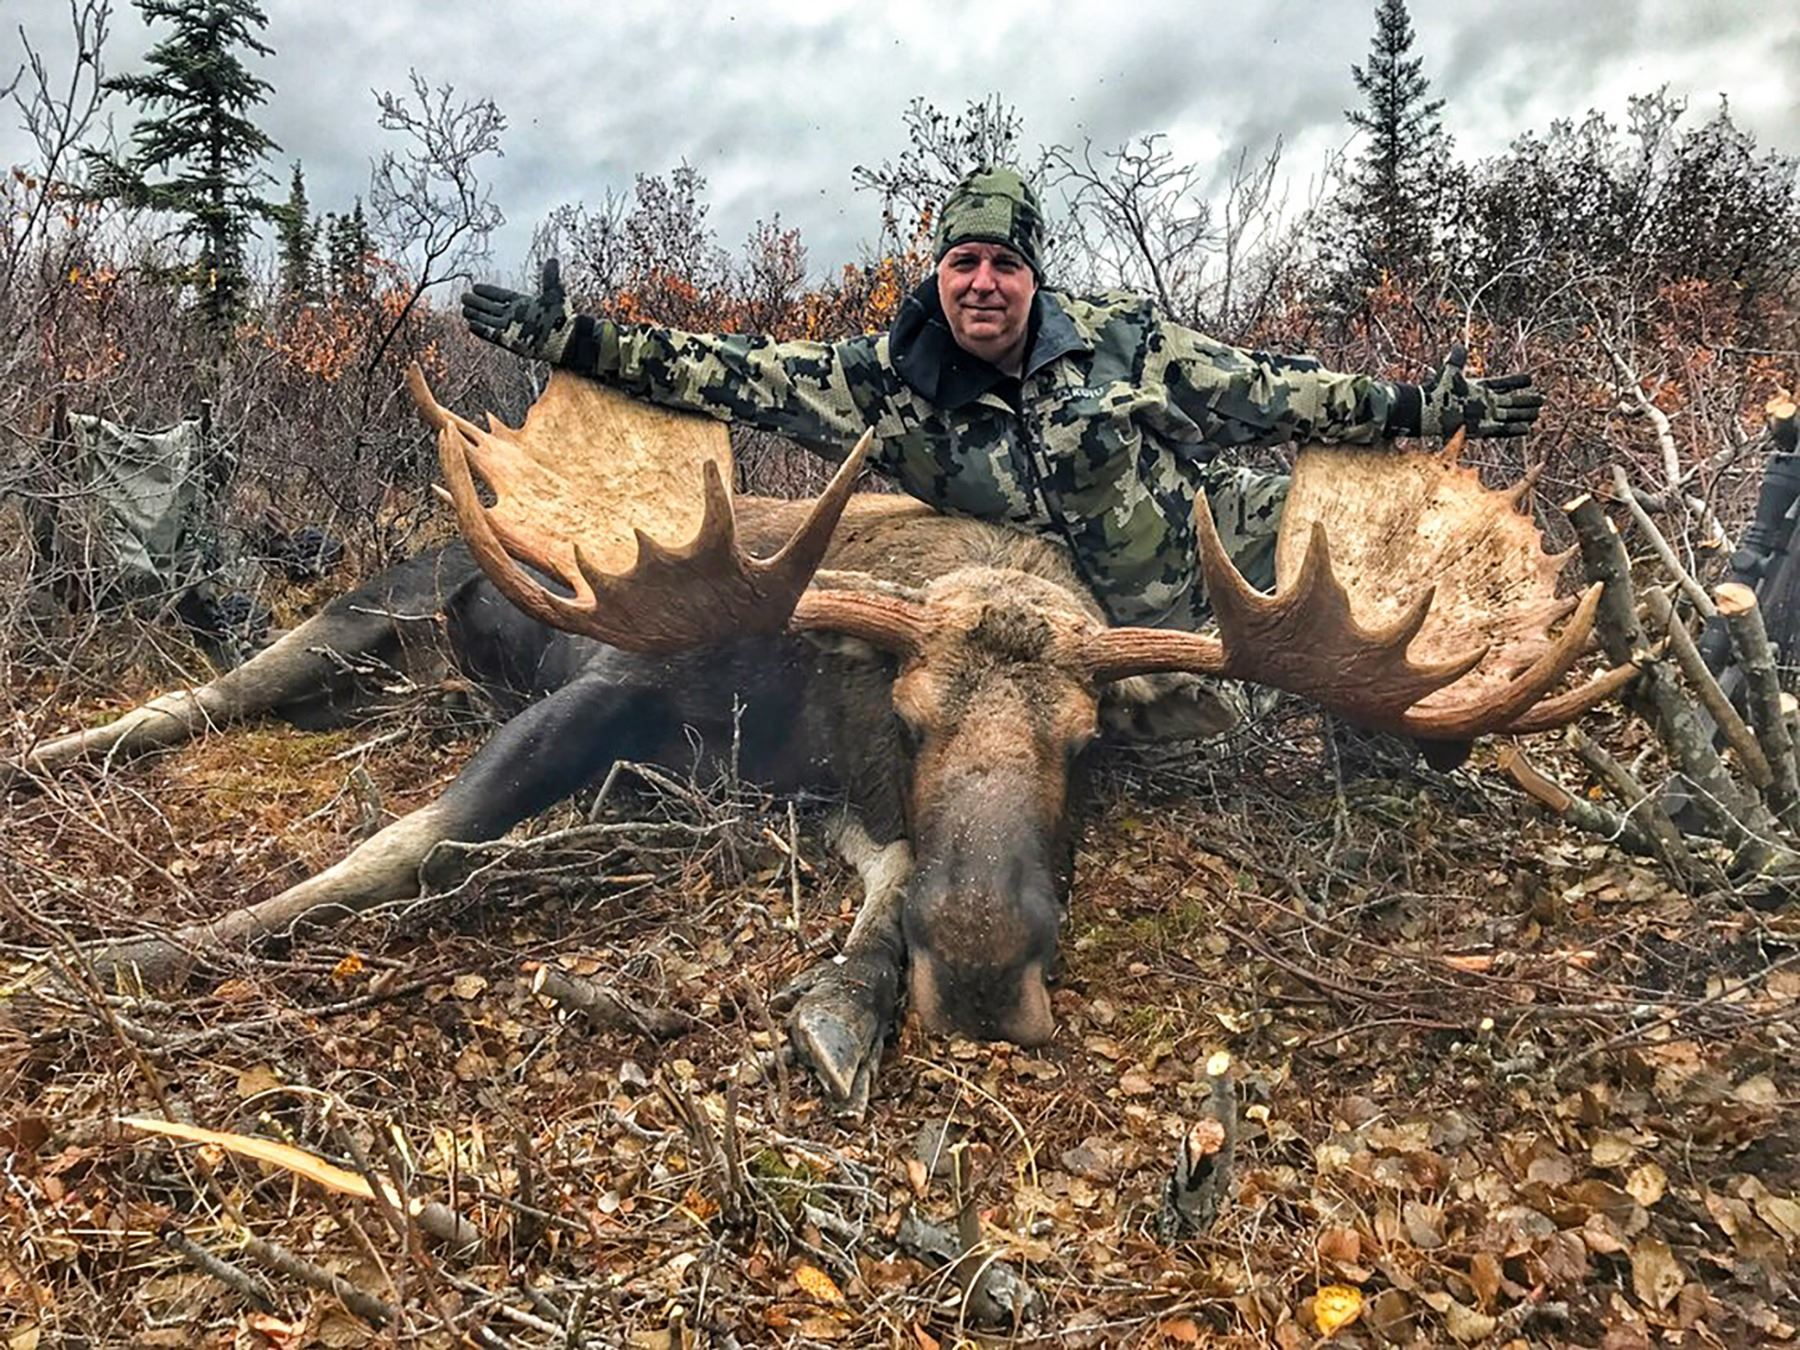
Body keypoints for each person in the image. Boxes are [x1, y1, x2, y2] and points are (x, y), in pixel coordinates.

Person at [462, 164, 1542, 630]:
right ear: (938, 271)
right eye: (964, 261)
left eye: (1006, 264)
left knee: (1376, 558)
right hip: (1079, 627)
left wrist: (1423, 407)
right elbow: (728, 371)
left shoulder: (1125, 342)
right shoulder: (879, 384)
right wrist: (576, 339)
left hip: (1221, 560)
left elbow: (1282, 395)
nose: (983, 283)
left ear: (1035, 277)